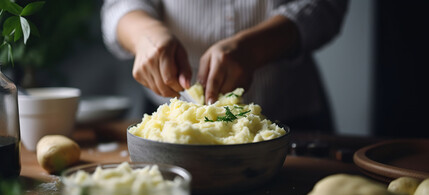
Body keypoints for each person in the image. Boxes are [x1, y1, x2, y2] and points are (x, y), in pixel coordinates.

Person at [101, 0, 348, 132]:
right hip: (167, 121)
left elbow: (326, 5)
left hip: (291, 112)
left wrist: (255, 48)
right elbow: (118, 5)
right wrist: (146, 34)